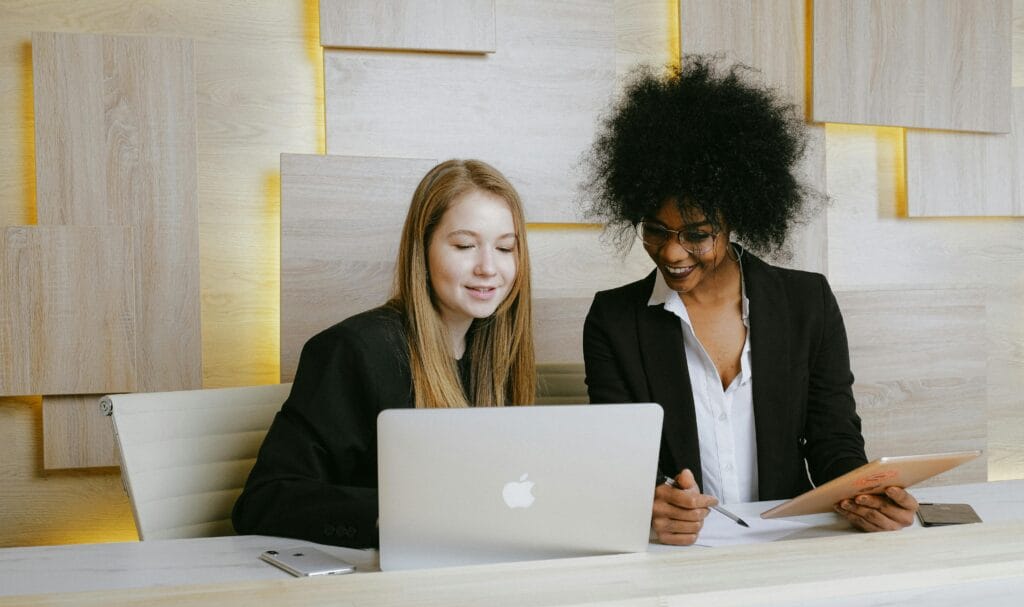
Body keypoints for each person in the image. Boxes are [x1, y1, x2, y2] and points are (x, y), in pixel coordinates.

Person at [581, 57, 917, 545]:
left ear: (737, 216)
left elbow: (834, 440)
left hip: (789, 545)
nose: (672, 252)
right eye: (656, 230)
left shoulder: (808, 303)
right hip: (681, 555)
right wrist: (651, 502)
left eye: (696, 234)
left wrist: (861, 495)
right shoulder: (613, 320)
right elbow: (616, 458)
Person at [232, 159, 535, 547]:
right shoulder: (353, 350)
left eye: (506, 248)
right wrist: (399, 515)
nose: (489, 268)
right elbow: (263, 503)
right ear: (421, 249)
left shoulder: (497, 351)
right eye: (464, 245)